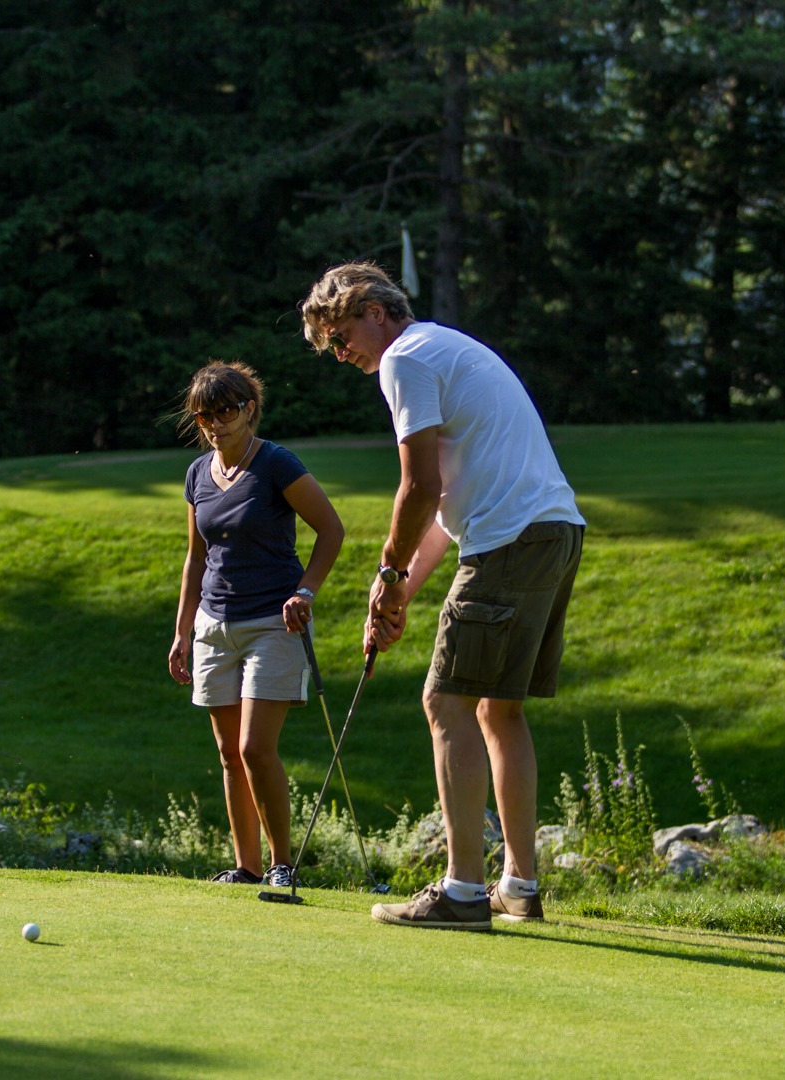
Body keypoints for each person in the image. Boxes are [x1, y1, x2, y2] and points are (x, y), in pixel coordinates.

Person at [300, 261, 585, 931]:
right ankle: (518, 885)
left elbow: (418, 487)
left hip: (512, 541)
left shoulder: (405, 359)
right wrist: (394, 592)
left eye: (341, 339)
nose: (344, 357)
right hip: (553, 533)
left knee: (444, 702)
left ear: (375, 310)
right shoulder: (444, 347)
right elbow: (442, 505)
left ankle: (462, 890)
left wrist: (390, 576)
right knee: (497, 712)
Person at [168, 360, 344, 888]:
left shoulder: (276, 463)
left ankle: (281, 865)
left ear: (249, 409)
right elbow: (196, 558)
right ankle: (245, 867)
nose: (215, 423)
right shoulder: (199, 474)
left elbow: (331, 530)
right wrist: (181, 630)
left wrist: (305, 591)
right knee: (227, 754)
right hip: (213, 625)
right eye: (205, 414)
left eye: (226, 410)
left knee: (253, 748)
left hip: (274, 622)